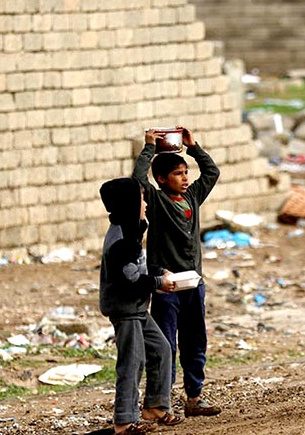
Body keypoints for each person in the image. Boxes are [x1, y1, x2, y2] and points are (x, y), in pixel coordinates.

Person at [133, 126, 222, 417]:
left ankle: (194, 397)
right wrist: (148, 148)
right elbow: (137, 181)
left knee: (195, 341)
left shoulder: (192, 197)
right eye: (178, 174)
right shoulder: (156, 202)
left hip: (193, 284)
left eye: (186, 173)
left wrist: (193, 146)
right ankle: (162, 402)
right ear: (161, 179)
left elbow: (211, 173)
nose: (185, 179)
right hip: (167, 285)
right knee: (166, 345)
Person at [98, 177, 183, 434]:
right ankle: (124, 421)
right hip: (126, 312)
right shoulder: (121, 241)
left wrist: (158, 271)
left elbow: (138, 268)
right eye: (142, 199)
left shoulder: (131, 231)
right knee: (132, 364)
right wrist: (158, 282)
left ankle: (155, 406)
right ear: (130, 203)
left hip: (136, 309)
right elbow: (129, 281)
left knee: (161, 350)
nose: (145, 204)